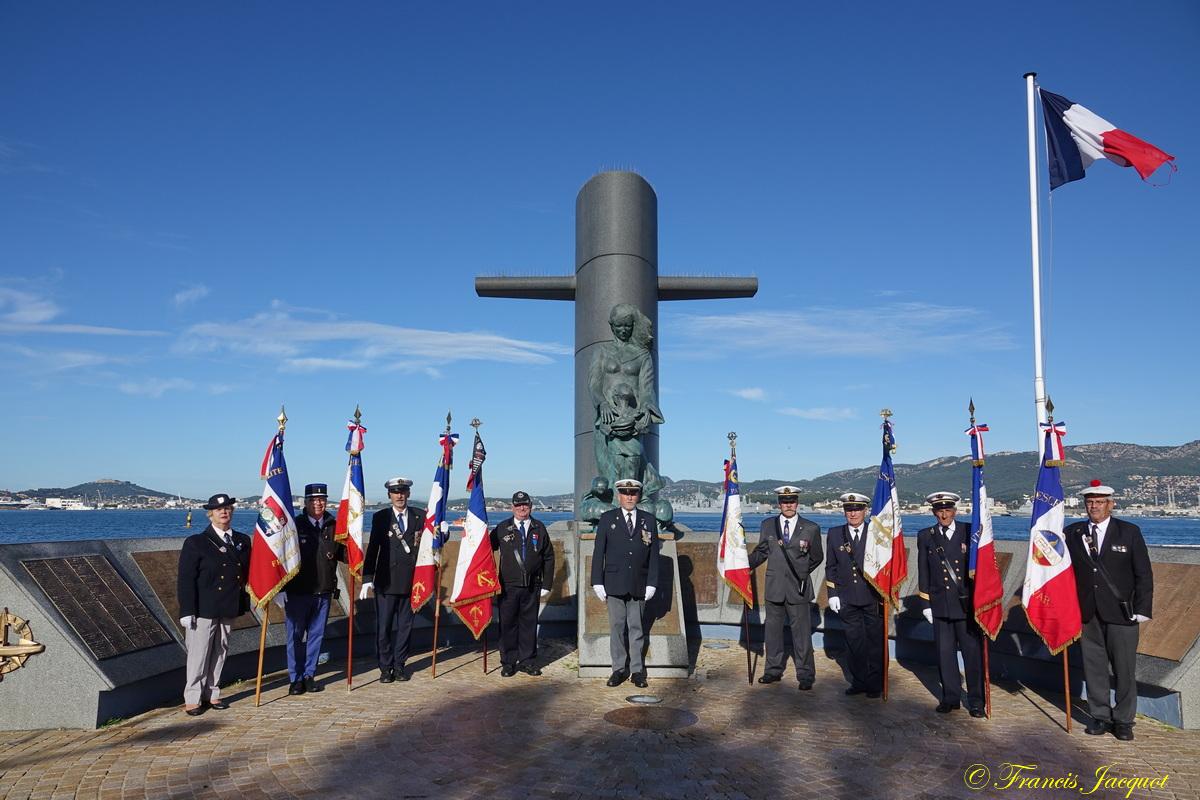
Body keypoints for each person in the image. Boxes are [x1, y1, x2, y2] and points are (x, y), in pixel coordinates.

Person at [1066, 480, 1154, 741]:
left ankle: (1124, 720)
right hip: (1087, 612)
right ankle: (1100, 716)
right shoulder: (1072, 532)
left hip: (1121, 612)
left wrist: (1142, 608)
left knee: (1124, 669)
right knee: (1094, 667)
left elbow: (1143, 574)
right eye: (1090, 502)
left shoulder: (1128, 532)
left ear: (1111, 504)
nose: (1094, 506)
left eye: (1100, 502)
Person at [176, 493, 251, 716]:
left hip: (228, 605)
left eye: (227, 508)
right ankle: (193, 697)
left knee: (220, 651)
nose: (224, 512)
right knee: (199, 654)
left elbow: (247, 573)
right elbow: (186, 579)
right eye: (219, 510)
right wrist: (187, 610)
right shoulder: (196, 542)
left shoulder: (242, 540)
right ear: (210, 515)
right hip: (204, 608)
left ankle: (212, 692)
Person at [916, 491, 985, 717]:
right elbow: (923, 570)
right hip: (940, 604)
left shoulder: (970, 532)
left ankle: (976, 701)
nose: (944, 515)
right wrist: (925, 603)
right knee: (944, 655)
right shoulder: (926, 536)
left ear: (955, 511)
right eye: (940, 511)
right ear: (933, 512)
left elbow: (983, 568)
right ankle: (950, 697)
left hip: (966, 606)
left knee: (972, 656)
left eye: (947, 510)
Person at [749, 486, 822, 690]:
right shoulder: (768, 525)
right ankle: (772, 671)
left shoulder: (811, 528)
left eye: (792, 501)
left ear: (797, 503)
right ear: (779, 504)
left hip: (798, 588)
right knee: (772, 632)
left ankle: (805, 674)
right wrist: (743, 564)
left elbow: (817, 557)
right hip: (774, 587)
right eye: (784, 501)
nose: (788, 505)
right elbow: (762, 552)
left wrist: (801, 572)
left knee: (802, 634)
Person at [590, 478, 660, 689]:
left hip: (639, 583)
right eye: (625, 493)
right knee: (617, 627)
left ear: (638, 495)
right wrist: (597, 582)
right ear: (619, 495)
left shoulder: (648, 520)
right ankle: (619, 669)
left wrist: (652, 582)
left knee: (637, 628)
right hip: (614, 582)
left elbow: (653, 555)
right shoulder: (607, 519)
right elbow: (599, 552)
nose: (629, 497)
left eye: (633, 493)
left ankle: (637, 671)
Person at [279, 483, 343, 696]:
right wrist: (280, 588)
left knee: (316, 636)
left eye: (322, 499)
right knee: (295, 637)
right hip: (298, 591)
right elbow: (281, 557)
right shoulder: (294, 525)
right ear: (305, 502)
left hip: (323, 591)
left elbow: (343, 554)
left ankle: (309, 675)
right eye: (314, 500)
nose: (318, 503)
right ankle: (295, 678)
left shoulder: (334, 525)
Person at [361, 477, 422, 683]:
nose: (399, 496)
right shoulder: (381, 517)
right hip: (386, 582)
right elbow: (373, 549)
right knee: (384, 628)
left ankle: (400, 665)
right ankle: (386, 668)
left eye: (403, 491)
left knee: (405, 628)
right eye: (396, 492)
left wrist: (444, 533)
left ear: (408, 494)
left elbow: (431, 541)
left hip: (411, 582)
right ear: (389, 495)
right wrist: (367, 577)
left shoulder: (420, 516)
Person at [824, 491, 883, 698]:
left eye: (857, 509)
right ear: (844, 511)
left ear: (865, 511)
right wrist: (832, 593)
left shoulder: (877, 533)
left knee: (875, 643)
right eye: (849, 509)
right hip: (847, 597)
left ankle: (875, 684)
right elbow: (831, 566)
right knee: (853, 642)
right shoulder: (835, 534)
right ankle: (859, 681)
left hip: (872, 597)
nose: (853, 513)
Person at [490, 491, 554, 677]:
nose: (522, 508)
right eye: (518, 505)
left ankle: (528, 661)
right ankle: (508, 662)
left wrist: (547, 584)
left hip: (532, 585)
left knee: (529, 625)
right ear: (512, 507)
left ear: (531, 506)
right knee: (507, 625)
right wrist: (470, 536)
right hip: (508, 586)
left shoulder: (539, 527)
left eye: (525, 504)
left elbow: (549, 557)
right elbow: (486, 548)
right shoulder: (502, 528)